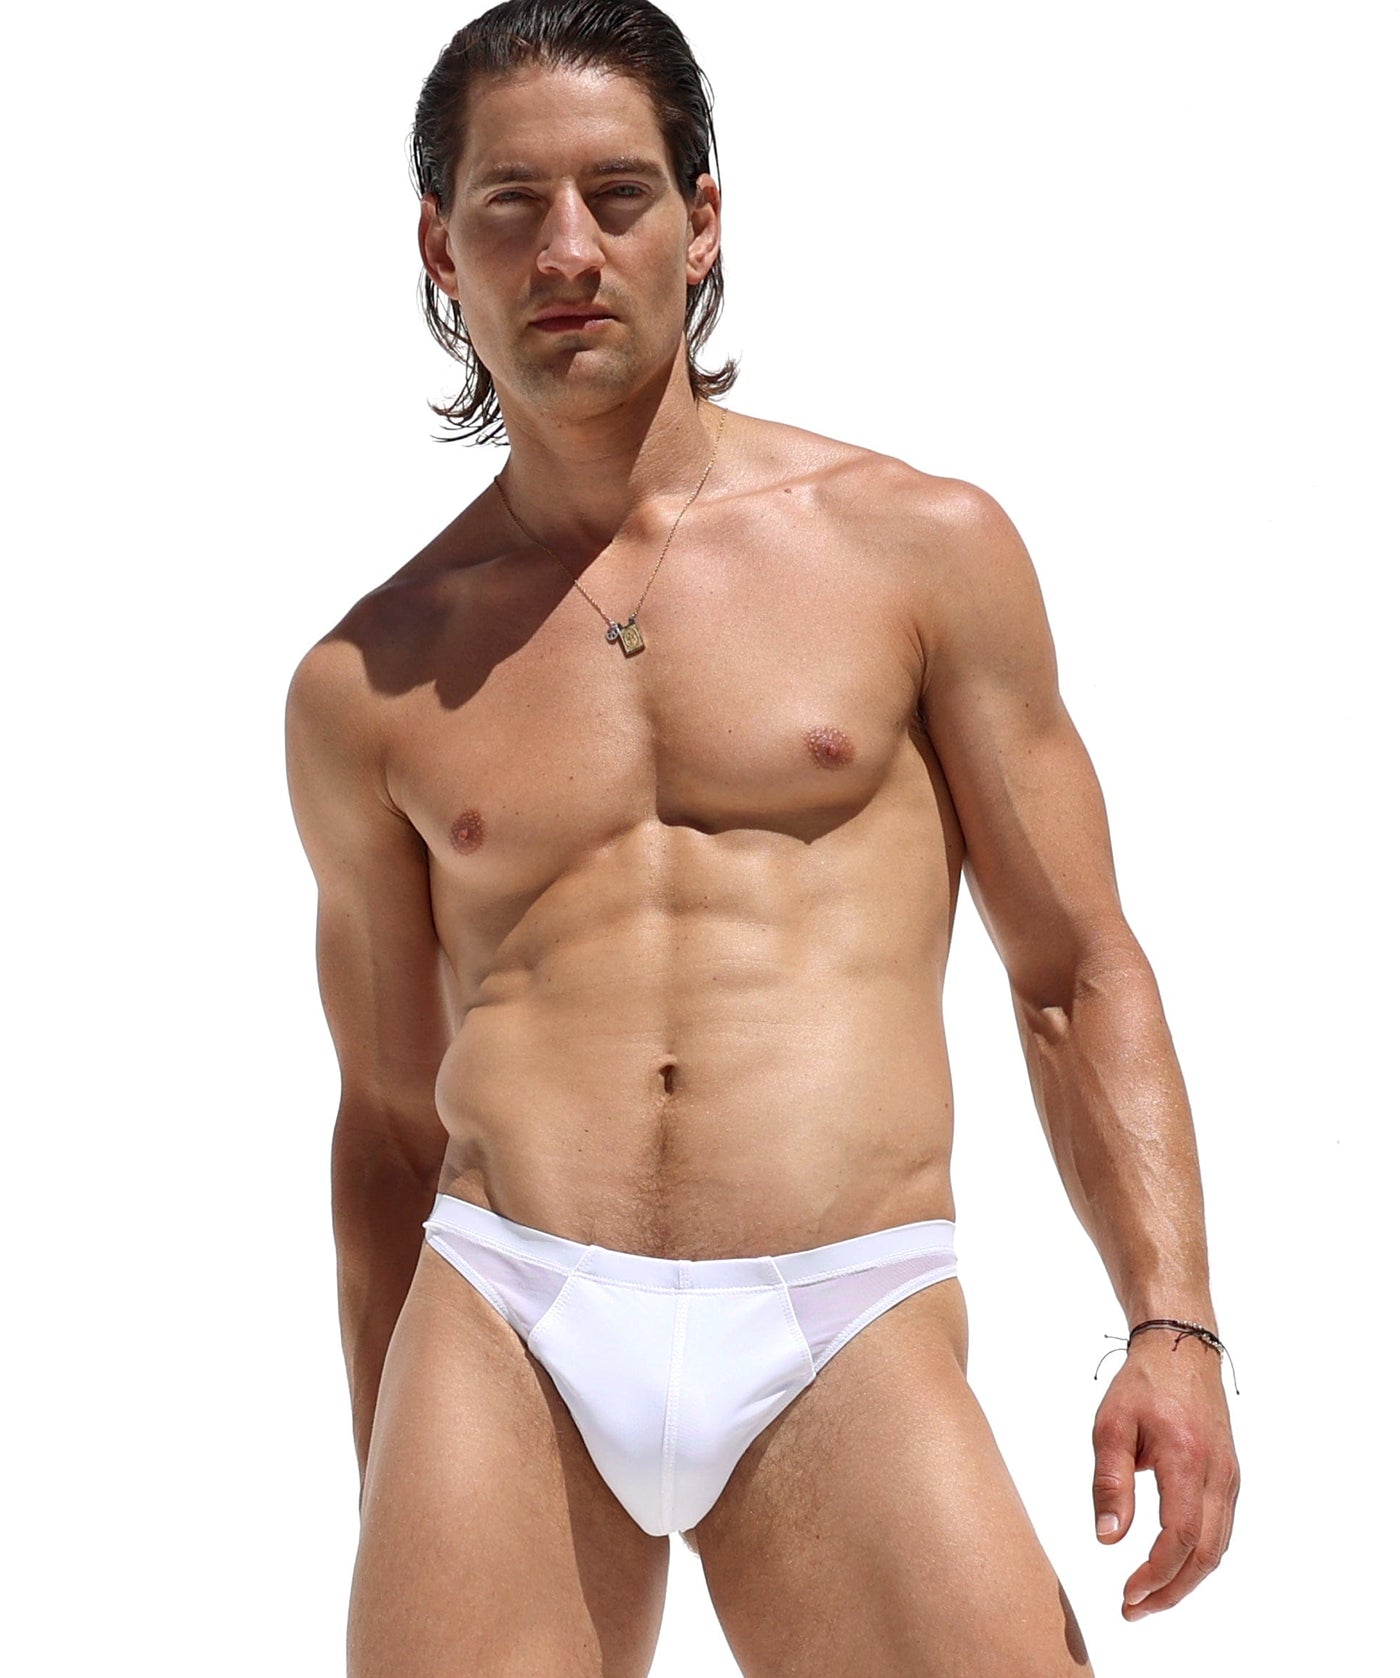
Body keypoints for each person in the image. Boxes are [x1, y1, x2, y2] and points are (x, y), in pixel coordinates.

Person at [284, 2, 1240, 1672]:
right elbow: (381, 1122)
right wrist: (399, 1491)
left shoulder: (917, 552)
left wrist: (1174, 1321)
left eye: (619, 195)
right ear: (441, 246)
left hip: (840, 1308)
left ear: (702, 220)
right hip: (509, 1314)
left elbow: (1075, 969)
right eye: (512, 204)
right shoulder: (370, 678)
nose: (567, 250)